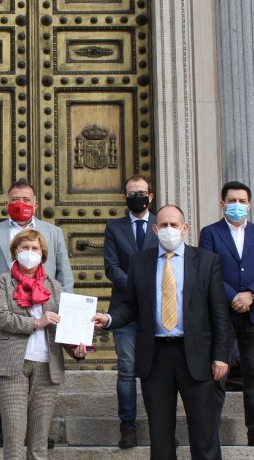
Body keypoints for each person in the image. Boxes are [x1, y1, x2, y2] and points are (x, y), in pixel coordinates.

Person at [93, 205, 230, 460]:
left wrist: (221, 355)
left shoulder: (206, 261)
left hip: (195, 356)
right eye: (164, 225)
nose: (169, 230)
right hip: (155, 357)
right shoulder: (139, 262)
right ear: (155, 229)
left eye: (174, 225)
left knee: (204, 432)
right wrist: (109, 318)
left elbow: (219, 312)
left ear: (185, 228)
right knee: (160, 433)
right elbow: (131, 306)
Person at [0, 178, 74, 448]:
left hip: (47, 318)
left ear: (36, 204)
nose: (21, 204)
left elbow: (65, 276)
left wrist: (67, 316)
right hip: (4, 317)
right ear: (7, 203)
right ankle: (6, 431)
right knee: (8, 374)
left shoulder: (53, 233)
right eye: (15, 199)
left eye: (26, 199)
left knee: (42, 381)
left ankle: (40, 433)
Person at [0, 229, 89, 460]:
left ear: (42, 254)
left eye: (34, 248)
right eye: (24, 247)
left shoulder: (55, 287)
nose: (29, 252)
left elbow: (62, 326)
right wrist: (36, 322)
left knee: (39, 440)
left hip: (47, 365)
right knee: (14, 435)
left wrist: (76, 349)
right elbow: (1, 317)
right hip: (12, 364)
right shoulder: (3, 281)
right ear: (15, 251)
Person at [198, 181, 254, 449]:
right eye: (231, 200)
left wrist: (251, 294)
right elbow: (207, 269)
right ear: (222, 204)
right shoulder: (210, 233)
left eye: (242, 201)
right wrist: (233, 296)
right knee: (217, 374)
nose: (237, 205)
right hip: (221, 314)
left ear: (250, 205)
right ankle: (210, 434)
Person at [102, 174, 159, 449]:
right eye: (132, 193)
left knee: (156, 370)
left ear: (151, 196)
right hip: (124, 307)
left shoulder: (162, 225)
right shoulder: (114, 228)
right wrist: (137, 286)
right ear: (125, 197)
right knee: (126, 369)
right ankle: (128, 427)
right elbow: (111, 267)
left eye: (142, 193)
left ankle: (161, 426)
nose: (137, 197)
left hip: (158, 310)